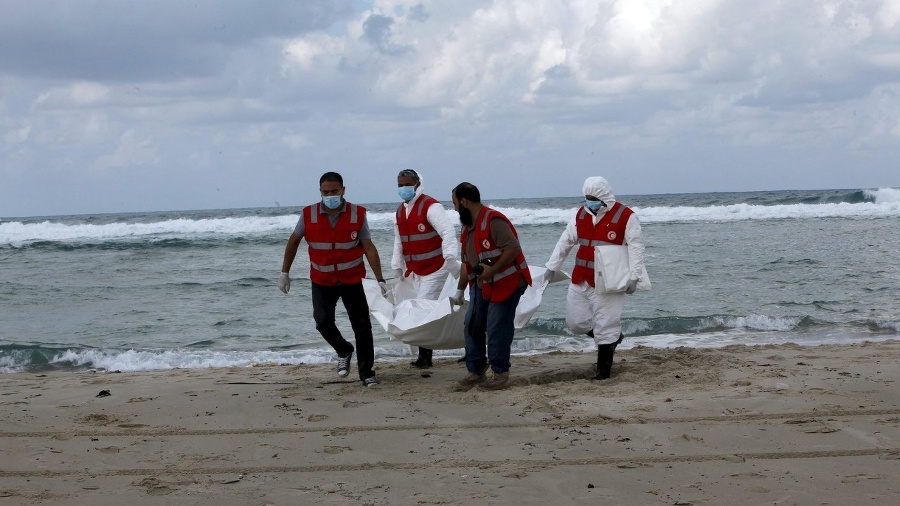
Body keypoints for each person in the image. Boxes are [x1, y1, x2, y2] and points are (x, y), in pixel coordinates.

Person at [278, 172, 387, 388]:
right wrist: (284, 272)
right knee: (322, 322)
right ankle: (344, 350)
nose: (330, 195)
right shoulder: (308, 214)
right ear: (320, 192)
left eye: (334, 191)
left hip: (353, 279)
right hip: (322, 280)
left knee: (362, 327)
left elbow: (368, 247)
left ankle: (366, 373)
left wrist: (380, 279)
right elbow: (293, 241)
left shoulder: (357, 214)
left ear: (343, 190)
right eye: (326, 192)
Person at [545, 176, 647, 380]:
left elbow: (636, 247)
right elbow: (565, 242)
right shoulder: (580, 215)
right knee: (576, 322)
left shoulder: (626, 216)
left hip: (609, 281)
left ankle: (603, 371)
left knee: (606, 325)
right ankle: (613, 338)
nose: (588, 201)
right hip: (581, 277)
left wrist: (635, 276)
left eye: (592, 197)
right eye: (586, 197)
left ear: (603, 197)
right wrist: (552, 267)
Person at [450, 182, 532, 391]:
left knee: (497, 327)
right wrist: (459, 291)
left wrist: (492, 270)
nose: (454, 208)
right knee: (471, 325)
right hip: (482, 284)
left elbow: (513, 248)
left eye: (455, 204)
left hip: (508, 282)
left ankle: (500, 373)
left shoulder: (493, 221)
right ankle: (476, 371)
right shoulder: (467, 228)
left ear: (464, 201)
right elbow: (467, 264)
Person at [391, 169, 461, 368]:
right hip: (414, 270)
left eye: (407, 184)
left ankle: (425, 357)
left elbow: (448, 232)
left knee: (422, 309)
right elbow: (399, 241)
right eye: (400, 185)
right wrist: (397, 266)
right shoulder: (399, 211)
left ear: (417, 184)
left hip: (436, 267)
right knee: (411, 308)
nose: (404, 188)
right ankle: (424, 351)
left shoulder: (431, 207)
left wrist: (450, 258)